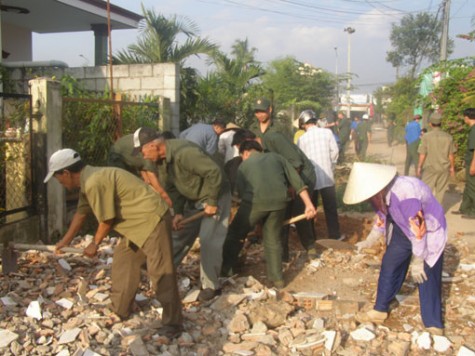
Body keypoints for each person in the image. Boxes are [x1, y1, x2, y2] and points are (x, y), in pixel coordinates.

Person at [46, 149, 183, 338]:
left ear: (66, 173)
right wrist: (64, 241)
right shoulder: (88, 180)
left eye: (58, 179)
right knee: (124, 262)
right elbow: (81, 214)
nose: (60, 183)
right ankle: (121, 309)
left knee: (161, 271)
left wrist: (94, 243)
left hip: (152, 219)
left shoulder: (94, 181)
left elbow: (107, 220)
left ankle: (173, 323)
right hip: (134, 226)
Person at [343, 162, 446, 336]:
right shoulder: (378, 195)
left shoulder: (406, 194)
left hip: (429, 228)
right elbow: (382, 215)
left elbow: (418, 230)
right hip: (402, 228)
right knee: (390, 263)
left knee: (426, 273)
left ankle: (433, 322)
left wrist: (418, 260)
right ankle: (380, 308)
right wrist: (370, 240)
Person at [134, 127, 231, 301]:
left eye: (143, 151)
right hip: (195, 198)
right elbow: (173, 188)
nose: (144, 157)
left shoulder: (186, 153)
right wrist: (178, 212)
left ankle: (211, 286)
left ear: (153, 145)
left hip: (215, 194)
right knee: (178, 234)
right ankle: (160, 273)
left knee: (209, 240)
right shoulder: (161, 161)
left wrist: (212, 202)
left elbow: (214, 173)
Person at [221, 140, 317, 288]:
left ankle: (226, 270)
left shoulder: (243, 165)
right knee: (273, 238)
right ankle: (277, 279)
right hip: (280, 203)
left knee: (235, 234)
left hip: (254, 203)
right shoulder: (277, 158)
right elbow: (297, 181)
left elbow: (241, 193)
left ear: (245, 153)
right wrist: (309, 205)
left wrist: (254, 219)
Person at [251, 97, 318, 260]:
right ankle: (283, 254)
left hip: (299, 172)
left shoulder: (279, 130)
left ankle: (310, 248)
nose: (259, 114)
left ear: (270, 110)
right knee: (282, 213)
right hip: (279, 173)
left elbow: (294, 160)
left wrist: (291, 186)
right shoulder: (252, 130)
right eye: (256, 112)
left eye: (262, 111)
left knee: (298, 209)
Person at [296, 109, 342, 240]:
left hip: (311, 179)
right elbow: (335, 152)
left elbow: (301, 160)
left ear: (304, 124)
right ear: (315, 121)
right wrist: (330, 165)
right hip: (327, 177)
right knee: (331, 209)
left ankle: (311, 238)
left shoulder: (302, 139)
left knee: (311, 208)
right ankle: (335, 236)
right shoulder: (327, 133)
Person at [107, 133, 172, 207]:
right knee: (124, 184)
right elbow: (151, 174)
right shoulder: (149, 148)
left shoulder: (151, 140)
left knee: (148, 181)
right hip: (118, 156)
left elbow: (144, 166)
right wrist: (165, 197)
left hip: (131, 154)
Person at [417, 113, 456, 204]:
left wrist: (419, 167)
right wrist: (452, 168)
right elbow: (451, 154)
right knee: (441, 192)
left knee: (426, 191)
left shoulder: (426, 137)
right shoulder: (448, 137)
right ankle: (437, 213)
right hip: (444, 168)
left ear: (430, 123)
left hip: (430, 168)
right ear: (440, 123)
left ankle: (426, 211)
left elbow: (422, 154)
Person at [453, 108, 475, 219]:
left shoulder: (474, 130)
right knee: (468, 186)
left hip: (473, 162)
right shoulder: (472, 129)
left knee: (472, 188)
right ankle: (465, 208)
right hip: (470, 161)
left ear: (467, 117)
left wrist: (473, 165)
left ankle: (473, 211)